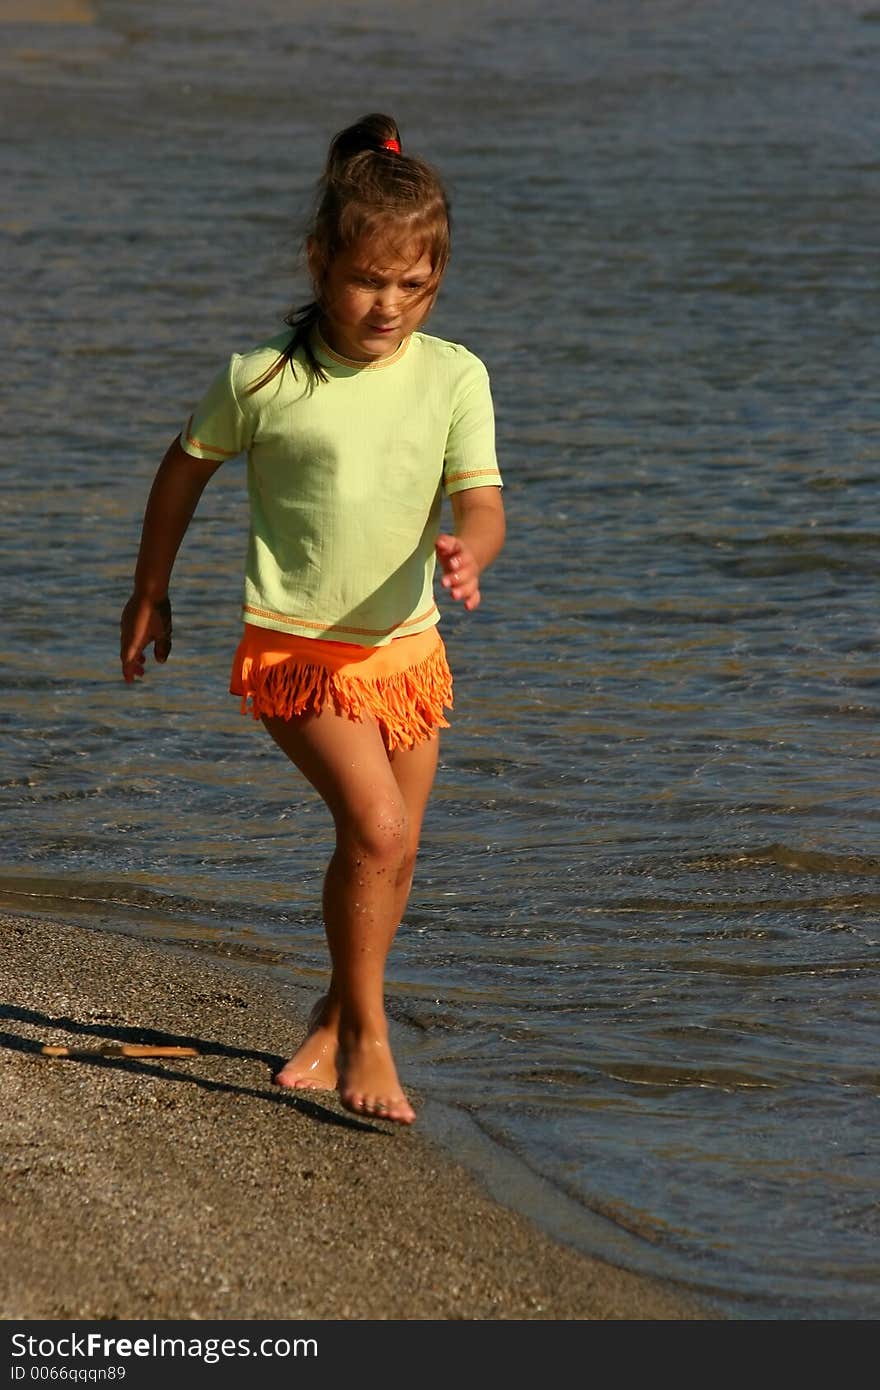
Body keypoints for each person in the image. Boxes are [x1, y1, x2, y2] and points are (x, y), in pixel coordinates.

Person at [119, 113, 505, 1125]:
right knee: (373, 826)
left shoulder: (454, 374)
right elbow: (182, 467)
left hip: (408, 652)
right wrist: (151, 587)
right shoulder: (264, 378)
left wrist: (471, 547)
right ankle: (372, 1038)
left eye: (413, 285)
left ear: (438, 275)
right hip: (296, 651)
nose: (388, 306)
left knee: (395, 847)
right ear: (320, 260)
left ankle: (335, 1010)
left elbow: (482, 500)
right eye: (368, 280)